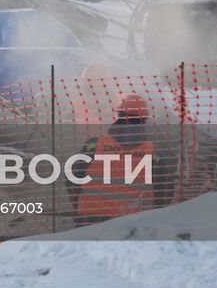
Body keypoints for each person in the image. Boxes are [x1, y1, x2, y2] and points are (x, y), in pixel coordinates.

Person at [73, 94, 174, 223]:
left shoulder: (94, 145)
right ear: (144, 120)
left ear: (120, 116)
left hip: (90, 220)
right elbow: (166, 190)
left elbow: (73, 178)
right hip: (132, 225)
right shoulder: (153, 154)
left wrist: (79, 207)